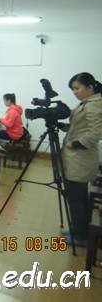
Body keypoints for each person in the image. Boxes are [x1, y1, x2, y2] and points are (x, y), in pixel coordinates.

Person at [61, 72, 102, 246]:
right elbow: (80, 127)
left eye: (77, 88)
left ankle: (80, 236)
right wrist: (65, 127)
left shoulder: (94, 104)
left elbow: (96, 132)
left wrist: (76, 143)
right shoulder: (86, 103)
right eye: (73, 89)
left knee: (76, 198)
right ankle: (79, 230)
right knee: (78, 196)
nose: (75, 92)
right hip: (77, 159)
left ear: (90, 87)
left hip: (80, 159)